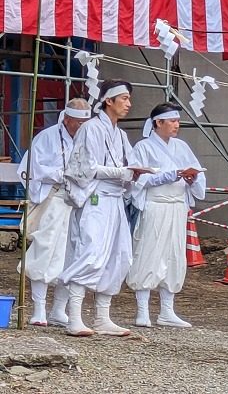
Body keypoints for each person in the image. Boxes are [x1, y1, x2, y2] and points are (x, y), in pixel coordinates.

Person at [60, 80, 150, 337]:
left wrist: (133, 173)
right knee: (90, 252)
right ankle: (74, 317)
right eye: (124, 98)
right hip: (95, 198)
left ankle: (102, 316)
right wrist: (122, 171)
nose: (128, 104)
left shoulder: (120, 135)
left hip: (115, 199)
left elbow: (129, 164)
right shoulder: (91, 128)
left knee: (119, 254)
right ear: (108, 100)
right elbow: (85, 168)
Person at [126, 102, 206, 328]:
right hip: (155, 204)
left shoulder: (181, 146)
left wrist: (192, 178)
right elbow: (137, 177)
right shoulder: (143, 147)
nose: (176, 125)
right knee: (148, 252)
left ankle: (167, 310)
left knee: (174, 255)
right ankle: (142, 309)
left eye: (177, 121)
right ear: (157, 123)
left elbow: (197, 172)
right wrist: (167, 176)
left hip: (177, 206)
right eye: (171, 121)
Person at [18, 98, 91, 326]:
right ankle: (39, 308)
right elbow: (30, 169)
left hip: (79, 200)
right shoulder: (47, 137)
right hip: (53, 198)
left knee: (74, 254)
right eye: (77, 122)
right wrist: (59, 173)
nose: (81, 127)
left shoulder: (89, 138)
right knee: (45, 251)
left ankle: (59, 309)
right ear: (67, 118)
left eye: (84, 122)